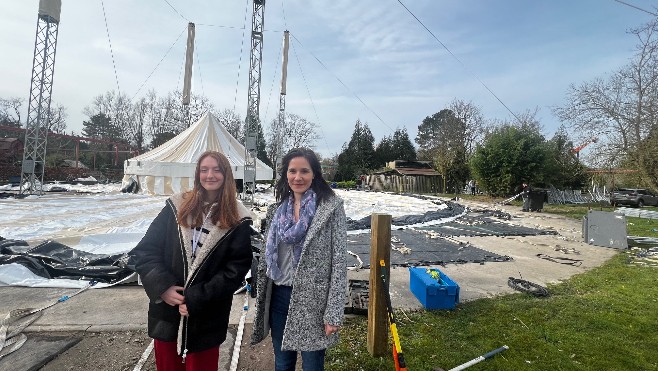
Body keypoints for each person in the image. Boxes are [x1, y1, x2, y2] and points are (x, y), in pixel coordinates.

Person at [131, 151, 253, 371]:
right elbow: (146, 251)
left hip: (206, 315)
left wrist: (196, 298)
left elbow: (235, 270)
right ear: (197, 174)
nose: (210, 175)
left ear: (226, 175)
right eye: (204, 169)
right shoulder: (176, 206)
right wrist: (163, 288)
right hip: (167, 312)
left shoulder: (237, 218)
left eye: (217, 170)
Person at [251, 147, 347, 371]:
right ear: (285, 174)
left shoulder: (330, 208)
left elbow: (339, 263)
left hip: (314, 301)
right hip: (279, 296)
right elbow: (268, 256)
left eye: (304, 171)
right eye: (292, 171)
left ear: (315, 174)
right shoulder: (276, 211)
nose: (298, 177)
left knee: (313, 365)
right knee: (283, 363)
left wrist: (333, 312)